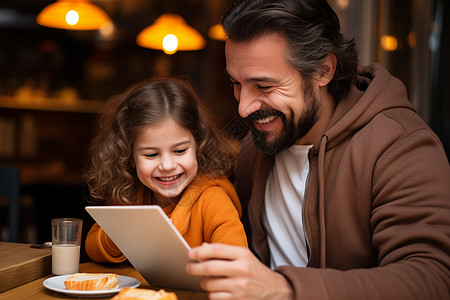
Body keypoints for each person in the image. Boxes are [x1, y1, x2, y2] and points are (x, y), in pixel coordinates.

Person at [185, 0, 450, 299]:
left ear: (323, 70)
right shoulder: (257, 146)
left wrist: (284, 289)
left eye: (264, 86)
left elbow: (433, 279)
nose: (244, 108)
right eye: (236, 83)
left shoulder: (400, 146)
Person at [84, 78, 247, 263]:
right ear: (129, 158)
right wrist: (122, 234)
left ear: (199, 147)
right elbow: (92, 246)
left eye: (180, 151)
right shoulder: (130, 197)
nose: (168, 165)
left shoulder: (213, 200)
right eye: (152, 154)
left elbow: (236, 261)